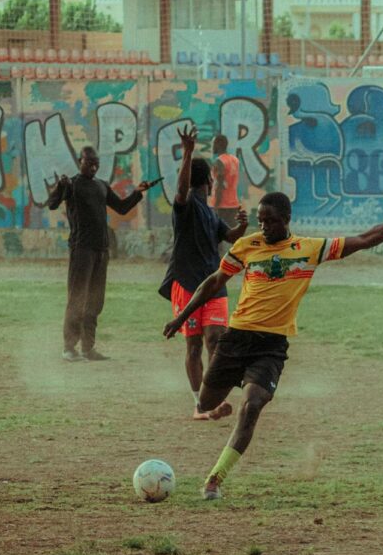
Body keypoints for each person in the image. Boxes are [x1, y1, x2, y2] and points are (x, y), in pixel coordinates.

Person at [163, 190, 383, 498]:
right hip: (236, 339)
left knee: (252, 405)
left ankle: (215, 479)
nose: (265, 227)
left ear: (287, 220)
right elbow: (213, 281)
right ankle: (213, 411)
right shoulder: (246, 246)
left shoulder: (309, 248)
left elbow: (365, 238)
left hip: (270, 346)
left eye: (272, 221)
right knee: (205, 403)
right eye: (261, 221)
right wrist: (181, 317)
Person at [159, 125, 248, 419]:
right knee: (194, 346)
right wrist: (187, 153)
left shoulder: (210, 213)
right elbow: (182, 190)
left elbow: (231, 236)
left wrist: (243, 227)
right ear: (208, 181)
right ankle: (199, 405)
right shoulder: (185, 207)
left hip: (214, 283)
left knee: (215, 342)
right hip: (185, 284)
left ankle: (211, 400)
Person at [48, 146, 149, 362]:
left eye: (96, 164)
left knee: (95, 300)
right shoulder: (71, 185)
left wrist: (138, 193)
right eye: (88, 163)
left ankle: (88, 348)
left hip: (101, 251)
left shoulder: (101, 186)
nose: (93, 167)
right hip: (81, 249)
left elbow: (121, 208)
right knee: (77, 298)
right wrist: (59, 187)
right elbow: (52, 204)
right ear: (79, 161)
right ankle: (69, 348)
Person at [211, 135, 241, 231]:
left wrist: (216, 206)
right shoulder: (235, 160)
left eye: (214, 143)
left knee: (218, 236)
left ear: (219, 144)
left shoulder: (219, 161)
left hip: (222, 206)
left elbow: (220, 185)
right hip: (233, 204)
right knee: (232, 236)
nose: (212, 146)